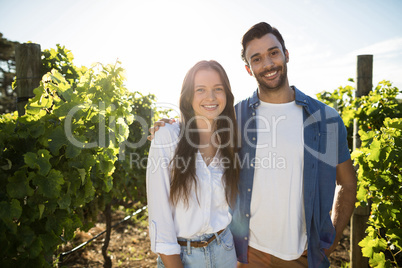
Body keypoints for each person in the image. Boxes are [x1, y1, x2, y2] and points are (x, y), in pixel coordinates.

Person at [149, 22, 357, 268]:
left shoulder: (326, 118)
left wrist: (330, 239)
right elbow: (199, 122)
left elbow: (346, 181)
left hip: (302, 255)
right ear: (248, 69)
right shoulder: (235, 119)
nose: (267, 64)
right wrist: (169, 126)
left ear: (286, 54)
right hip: (245, 255)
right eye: (256, 59)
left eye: (273, 53)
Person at [146, 60, 239, 268]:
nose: (211, 97)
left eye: (218, 89)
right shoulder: (167, 137)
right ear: (188, 97)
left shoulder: (231, 141)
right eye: (201, 90)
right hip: (182, 257)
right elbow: (159, 216)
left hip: (225, 250)